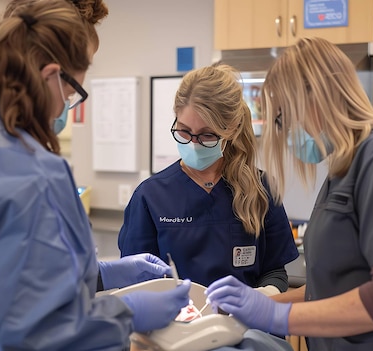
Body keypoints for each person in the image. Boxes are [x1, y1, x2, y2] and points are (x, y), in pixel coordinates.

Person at [0, 2, 191, 350]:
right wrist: (125, 313)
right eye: (70, 93)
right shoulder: (26, 172)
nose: (65, 105)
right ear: (50, 76)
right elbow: (37, 334)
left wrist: (98, 275)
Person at [205, 37, 373, 351]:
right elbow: (335, 290)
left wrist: (277, 315)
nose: (286, 129)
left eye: (284, 116)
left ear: (317, 96)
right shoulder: (344, 170)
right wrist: (257, 303)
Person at [118, 63, 299, 294]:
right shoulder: (150, 196)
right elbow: (135, 280)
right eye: (183, 131)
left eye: (207, 135)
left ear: (231, 130)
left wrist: (263, 297)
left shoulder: (261, 190)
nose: (193, 143)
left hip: (244, 327)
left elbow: (274, 271)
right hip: (175, 326)